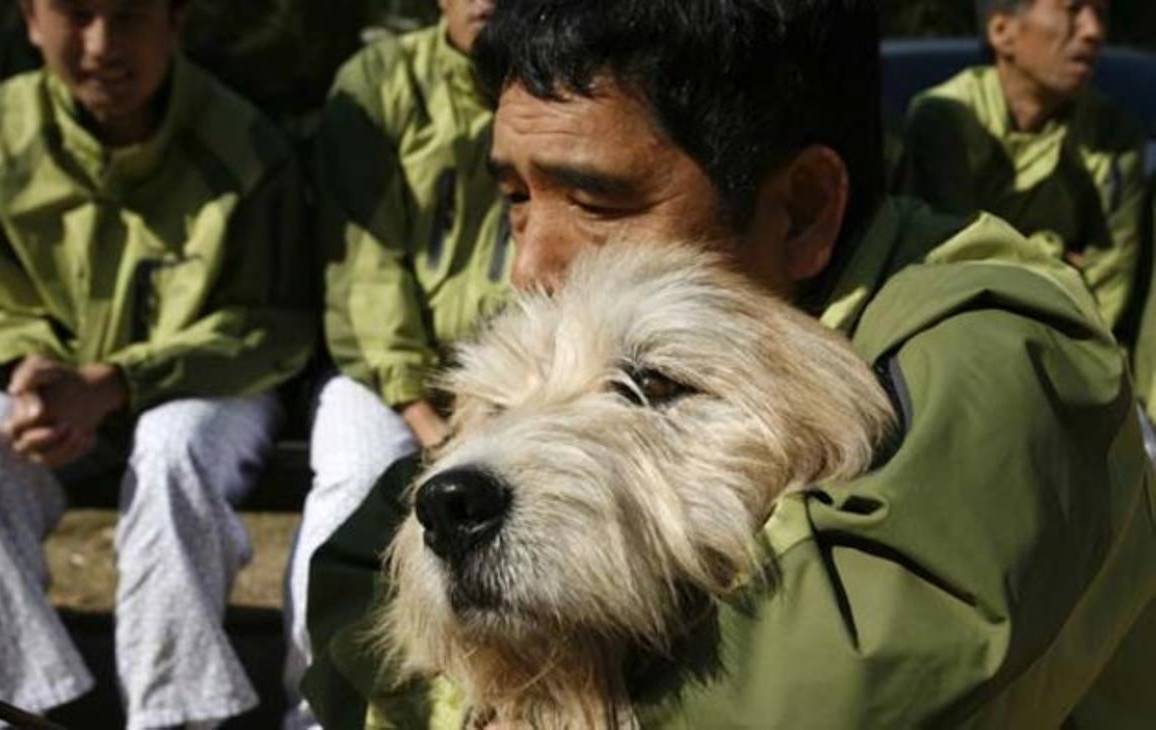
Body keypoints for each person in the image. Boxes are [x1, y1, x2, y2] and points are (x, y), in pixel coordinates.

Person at [301, 0, 1156, 727]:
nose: (528, 269)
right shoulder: (620, 314)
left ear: (804, 208)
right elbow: (355, 586)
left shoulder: (1000, 345)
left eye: (598, 200)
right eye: (517, 199)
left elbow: (824, 690)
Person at [0, 0, 314, 727]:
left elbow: (272, 321)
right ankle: (21, 709)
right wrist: (22, 368)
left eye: (129, 17)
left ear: (175, 21)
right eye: (76, 14)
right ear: (31, 19)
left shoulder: (242, 142)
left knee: (174, 450)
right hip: (44, 381)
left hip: (206, 385)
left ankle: (174, 715)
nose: (102, 45)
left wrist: (120, 381)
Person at [282, 0, 510, 728]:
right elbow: (365, 266)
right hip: (384, 369)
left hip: (521, 370)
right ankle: (316, 698)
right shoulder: (379, 81)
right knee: (353, 482)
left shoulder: (577, 72)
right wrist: (418, 405)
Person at [898, 0, 1147, 338]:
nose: (1093, 31)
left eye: (1101, 14)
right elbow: (958, 259)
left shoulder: (1114, 137)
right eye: (1072, 10)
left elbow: (1109, 286)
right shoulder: (946, 118)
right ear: (1002, 31)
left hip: (1071, 344)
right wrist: (1057, 255)